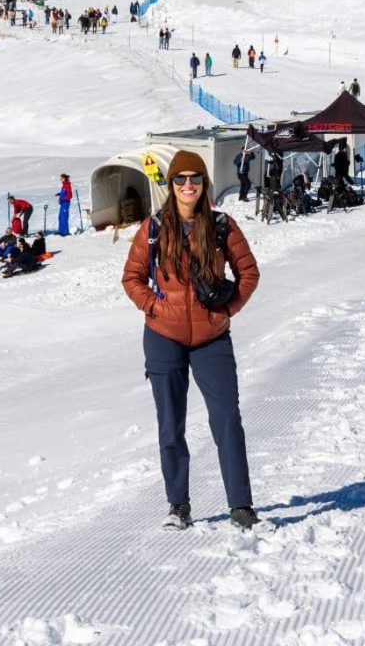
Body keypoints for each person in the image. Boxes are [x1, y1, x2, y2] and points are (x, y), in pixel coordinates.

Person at [121, 150, 261, 530]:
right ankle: (178, 504)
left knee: (227, 418)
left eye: (195, 179)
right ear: (171, 185)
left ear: (204, 184)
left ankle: (241, 506)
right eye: (180, 179)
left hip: (212, 338)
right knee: (171, 425)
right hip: (163, 337)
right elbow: (131, 278)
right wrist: (154, 307)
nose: (188, 185)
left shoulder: (221, 226)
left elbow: (248, 272)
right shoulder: (153, 228)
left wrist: (226, 309)